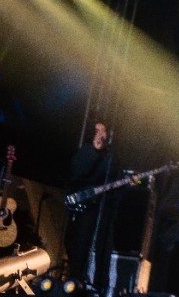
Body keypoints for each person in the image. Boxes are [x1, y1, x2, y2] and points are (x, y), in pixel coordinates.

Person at [64, 119, 117, 295]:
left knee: (101, 244)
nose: (101, 134)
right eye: (97, 131)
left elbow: (114, 179)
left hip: (101, 207)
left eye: (103, 131)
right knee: (79, 241)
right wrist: (95, 151)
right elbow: (77, 174)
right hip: (84, 205)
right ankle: (75, 278)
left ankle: (97, 284)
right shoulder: (85, 151)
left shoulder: (110, 157)